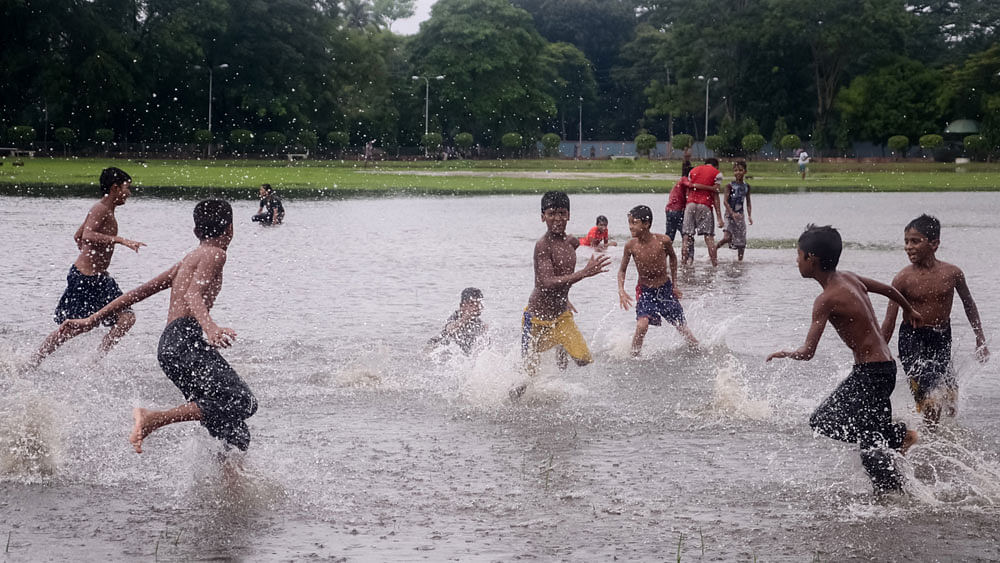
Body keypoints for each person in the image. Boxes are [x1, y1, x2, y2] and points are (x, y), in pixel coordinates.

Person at [60, 200, 257, 454]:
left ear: (196, 231)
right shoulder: (216, 253)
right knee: (242, 400)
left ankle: (229, 487)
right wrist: (211, 328)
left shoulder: (189, 259)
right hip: (185, 340)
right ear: (230, 228)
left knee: (233, 432)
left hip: (169, 347)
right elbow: (193, 295)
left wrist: (92, 319)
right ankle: (153, 418)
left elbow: (138, 293)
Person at [767, 224, 920, 495]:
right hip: (885, 368)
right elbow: (888, 289)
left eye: (798, 255)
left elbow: (808, 352)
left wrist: (786, 353)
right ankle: (895, 470)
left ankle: (896, 442)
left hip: (870, 373)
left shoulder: (825, 299)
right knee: (871, 441)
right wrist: (911, 311)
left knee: (823, 422)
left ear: (811, 259)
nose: (796, 260)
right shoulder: (849, 277)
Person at [881, 214, 990, 427]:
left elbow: (969, 305)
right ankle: (929, 441)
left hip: (941, 337)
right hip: (912, 339)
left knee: (950, 397)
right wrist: (880, 350)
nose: (908, 247)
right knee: (929, 395)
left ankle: (941, 436)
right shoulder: (902, 278)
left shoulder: (952, 273)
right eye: (906, 242)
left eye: (915, 241)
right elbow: (889, 321)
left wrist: (980, 338)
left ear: (934, 244)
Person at [31, 167, 146, 367]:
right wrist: (119, 240)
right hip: (85, 277)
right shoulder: (100, 209)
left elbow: (79, 234)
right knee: (74, 328)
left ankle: (94, 361)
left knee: (126, 318)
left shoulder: (104, 209)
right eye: (127, 188)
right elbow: (87, 235)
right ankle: (33, 361)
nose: (129, 193)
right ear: (115, 188)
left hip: (100, 278)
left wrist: (88, 244)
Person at [519, 191, 611, 386]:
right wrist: (584, 273)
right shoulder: (542, 246)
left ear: (569, 215)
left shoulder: (571, 242)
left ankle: (560, 346)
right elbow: (546, 282)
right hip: (537, 319)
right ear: (542, 216)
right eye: (551, 214)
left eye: (562, 213)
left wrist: (565, 296)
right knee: (526, 381)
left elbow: (561, 269)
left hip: (561, 316)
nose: (557, 219)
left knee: (583, 360)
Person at [618, 205, 699, 355]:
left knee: (681, 326)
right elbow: (622, 270)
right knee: (642, 325)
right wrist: (621, 290)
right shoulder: (631, 246)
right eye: (629, 223)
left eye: (634, 223)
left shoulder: (663, 241)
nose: (630, 227)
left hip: (665, 289)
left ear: (646, 224)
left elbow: (673, 259)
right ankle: (634, 356)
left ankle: (697, 349)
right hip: (645, 291)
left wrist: (675, 284)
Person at [681, 158, 726, 266]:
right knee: (709, 238)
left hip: (690, 205)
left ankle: (683, 263)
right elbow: (715, 195)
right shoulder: (717, 174)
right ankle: (714, 265)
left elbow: (689, 190)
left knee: (687, 236)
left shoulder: (693, 171)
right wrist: (719, 217)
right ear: (716, 166)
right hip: (705, 206)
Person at [427, 287, 487, 355]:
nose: (476, 307)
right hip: (442, 349)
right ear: (462, 305)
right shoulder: (456, 317)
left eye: (478, 303)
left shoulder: (479, 323)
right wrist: (464, 319)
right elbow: (449, 328)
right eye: (471, 304)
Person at [715, 161, 753, 261]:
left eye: (740, 170)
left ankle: (740, 262)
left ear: (745, 171)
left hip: (740, 216)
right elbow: (725, 202)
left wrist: (749, 215)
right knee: (727, 237)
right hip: (729, 215)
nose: (738, 172)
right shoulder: (729, 186)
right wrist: (732, 213)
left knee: (741, 243)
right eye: (736, 170)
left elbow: (748, 202)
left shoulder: (746, 187)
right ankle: (714, 249)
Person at [664, 176, 689, 259]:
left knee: (669, 237)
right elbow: (690, 185)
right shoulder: (684, 179)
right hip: (678, 211)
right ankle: (687, 260)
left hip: (669, 210)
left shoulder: (678, 184)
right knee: (686, 236)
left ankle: (662, 258)